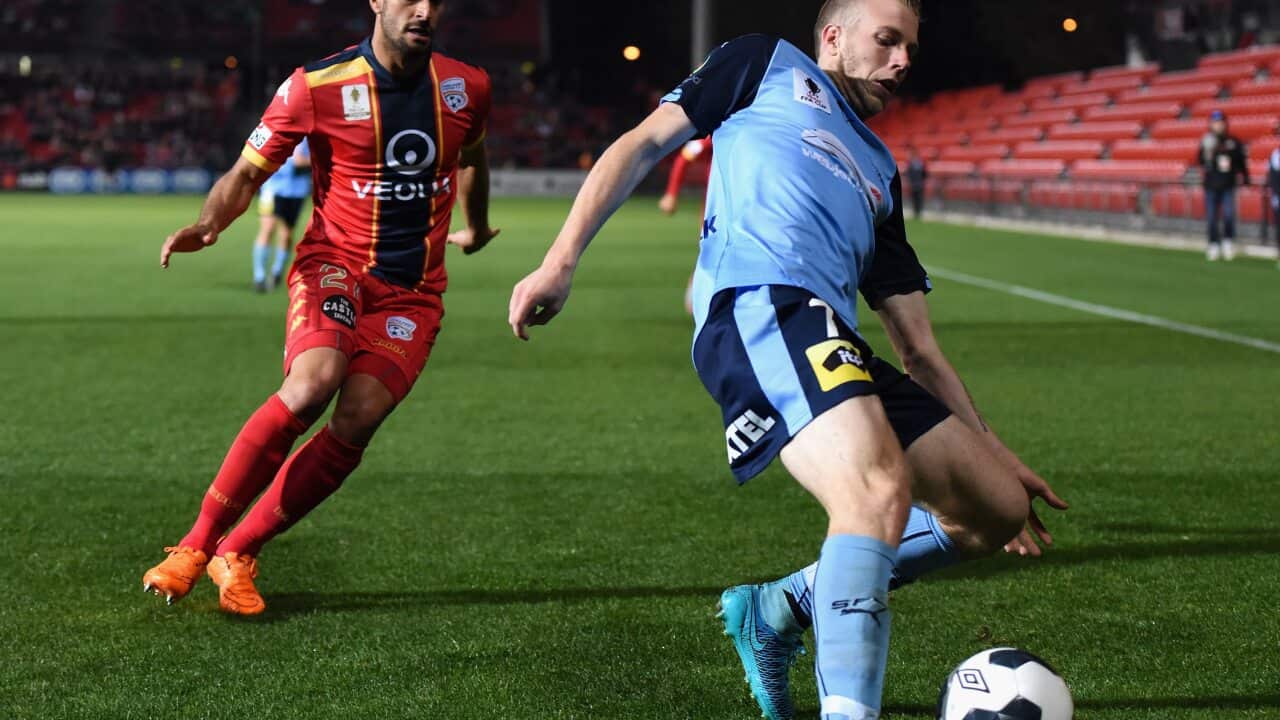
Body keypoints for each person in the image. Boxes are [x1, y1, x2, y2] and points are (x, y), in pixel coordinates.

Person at [509, 1, 1064, 718]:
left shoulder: (878, 168)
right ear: (834, 36)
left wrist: (991, 448)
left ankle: (778, 608)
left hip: (834, 338)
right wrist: (560, 262)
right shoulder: (763, 63)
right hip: (760, 306)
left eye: (911, 51)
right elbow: (643, 143)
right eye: (887, 41)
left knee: (992, 508)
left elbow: (918, 345)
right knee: (874, 491)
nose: (901, 62)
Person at [142, 0, 497, 615]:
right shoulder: (314, 86)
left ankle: (241, 551)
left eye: (436, 0)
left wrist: (478, 225)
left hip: (413, 291)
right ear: (377, 2)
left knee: (358, 417)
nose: (424, 10)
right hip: (335, 264)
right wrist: (209, 223)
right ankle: (195, 546)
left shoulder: (468, 87)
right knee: (313, 384)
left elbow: (471, 160)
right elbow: (247, 173)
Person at [658, 136, 713, 314]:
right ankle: (698, 292)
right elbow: (683, 158)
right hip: (715, 209)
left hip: (750, 205)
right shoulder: (716, 133)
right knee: (712, 251)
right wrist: (671, 194)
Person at [252, 138, 311, 292]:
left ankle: (277, 271)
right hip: (272, 189)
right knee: (267, 229)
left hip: (297, 191)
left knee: (287, 234)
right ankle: (259, 277)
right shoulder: (281, 130)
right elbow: (298, 161)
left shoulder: (309, 135)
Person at [1198, 110, 1249, 261]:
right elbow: (1200, 161)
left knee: (1228, 215)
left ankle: (1228, 241)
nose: (1218, 126)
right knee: (1212, 217)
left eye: (1220, 122)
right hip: (1211, 186)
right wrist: (1207, 152)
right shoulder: (1207, 141)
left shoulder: (1233, 142)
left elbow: (1242, 162)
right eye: (1215, 123)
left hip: (1228, 185)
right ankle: (1213, 243)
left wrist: (1246, 177)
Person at [904, 148, 926, 220]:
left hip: (918, 184)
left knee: (918, 198)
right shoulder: (912, 163)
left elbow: (924, 173)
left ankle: (918, 212)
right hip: (915, 184)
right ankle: (916, 212)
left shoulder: (920, 163)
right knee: (915, 198)